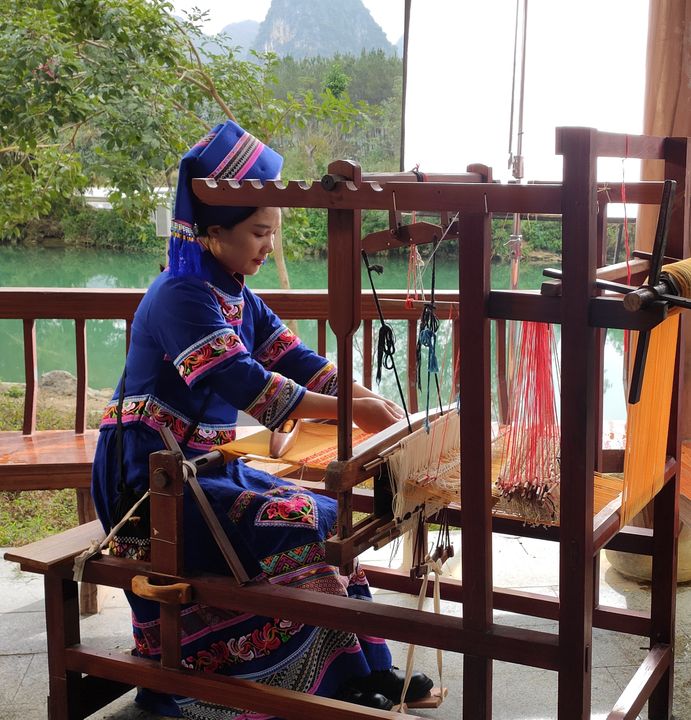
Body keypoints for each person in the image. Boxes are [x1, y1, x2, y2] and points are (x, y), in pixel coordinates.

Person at [91, 119, 433, 719]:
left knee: (327, 514)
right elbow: (254, 389)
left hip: (203, 470)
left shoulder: (236, 294)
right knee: (302, 520)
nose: (268, 245)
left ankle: (360, 675)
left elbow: (295, 360)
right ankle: (281, 680)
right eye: (258, 232)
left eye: (272, 231)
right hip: (147, 487)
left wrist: (364, 397)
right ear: (212, 232)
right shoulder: (181, 295)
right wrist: (355, 411)